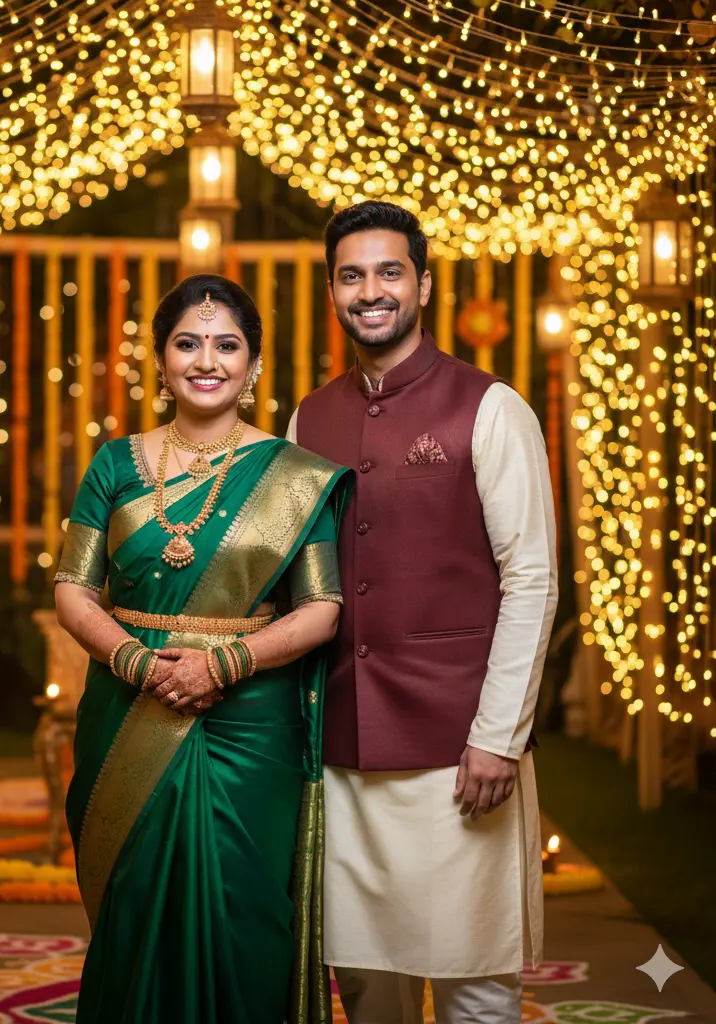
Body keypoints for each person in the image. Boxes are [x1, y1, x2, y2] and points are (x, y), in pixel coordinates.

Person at [288, 201, 558, 1024]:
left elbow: (533, 580)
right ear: (333, 290)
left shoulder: (491, 407)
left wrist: (497, 736)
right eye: (352, 275)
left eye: (389, 272)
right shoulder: (307, 418)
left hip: (460, 754)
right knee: (367, 987)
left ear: (424, 284)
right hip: (343, 755)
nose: (371, 291)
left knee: (477, 985)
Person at [55, 273, 352, 1024]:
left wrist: (224, 662)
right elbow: (71, 591)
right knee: (134, 903)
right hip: (129, 711)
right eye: (188, 343)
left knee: (245, 909)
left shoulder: (295, 475)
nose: (206, 359)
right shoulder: (115, 465)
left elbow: (323, 609)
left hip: (250, 724)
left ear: (253, 365)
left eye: (227, 344)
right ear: (160, 360)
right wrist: (136, 664)